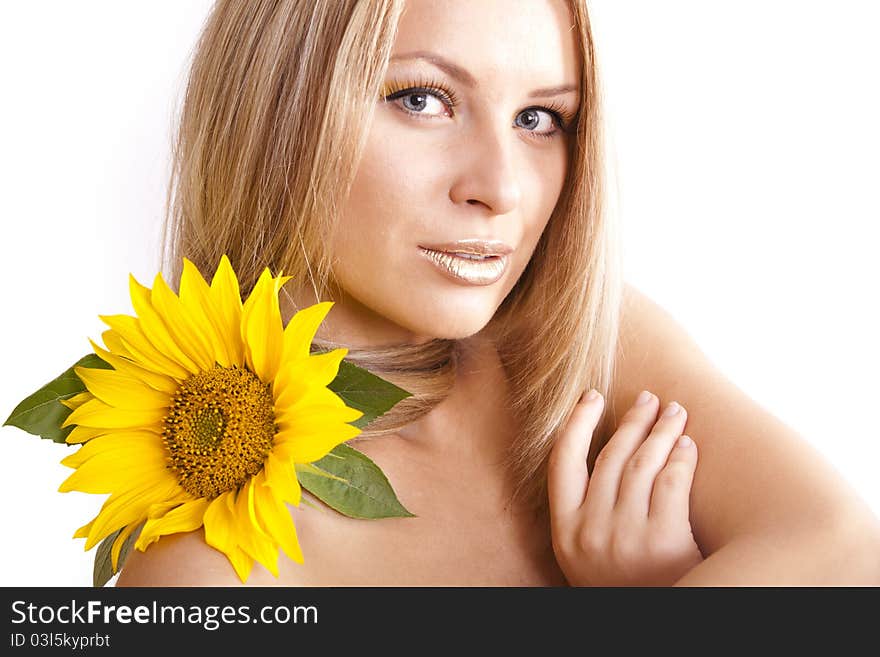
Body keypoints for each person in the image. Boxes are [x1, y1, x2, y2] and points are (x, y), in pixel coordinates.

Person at [116, 0, 880, 586]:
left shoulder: (575, 342)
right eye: (422, 99)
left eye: (540, 118)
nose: (502, 187)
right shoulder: (206, 561)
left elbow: (845, 554)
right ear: (272, 107)